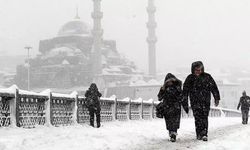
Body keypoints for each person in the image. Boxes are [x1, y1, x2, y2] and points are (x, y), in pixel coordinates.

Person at [183, 61, 220, 141]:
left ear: (202, 69)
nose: (198, 71)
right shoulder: (190, 78)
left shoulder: (207, 77)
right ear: (193, 70)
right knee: (197, 118)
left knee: (204, 117)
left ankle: (204, 134)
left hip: (205, 101)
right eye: (196, 70)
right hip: (195, 102)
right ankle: (199, 134)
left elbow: (214, 87)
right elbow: (185, 92)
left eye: (199, 69)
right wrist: (185, 103)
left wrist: (216, 98)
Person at [158, 73, 189, 142]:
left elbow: (182, 98)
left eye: (170, 81)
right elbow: (159, 98)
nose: (169, 83)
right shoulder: (164, 88)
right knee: (169, 122)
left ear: (173, 81)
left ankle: (173, 134)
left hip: (176, 108)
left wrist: (185, 107)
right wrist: (162, 90)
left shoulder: (177, 88)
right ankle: (171, 133)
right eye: (168, 82)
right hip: (167, 108)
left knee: (175, 122)